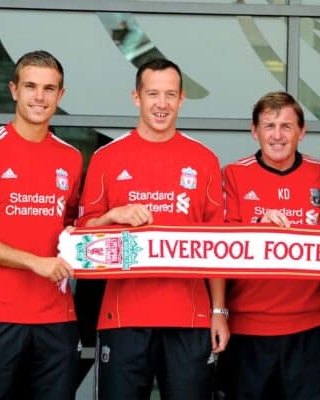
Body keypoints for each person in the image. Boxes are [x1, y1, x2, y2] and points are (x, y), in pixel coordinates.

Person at [76, 58, 229, 399]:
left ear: (182, 99)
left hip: (190, 318)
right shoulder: (107, 157)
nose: (162, 104)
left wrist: (219, 312)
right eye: (153, 94)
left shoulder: (203, 158)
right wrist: (113, 215)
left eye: (170, 94)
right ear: (136, 97)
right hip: (123, 317)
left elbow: (218, 245)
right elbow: (81, 236)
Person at [0, 50, 82, 399]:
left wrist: (108, 220)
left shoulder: (71, 157)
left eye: (49, 88)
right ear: (13, 90)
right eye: (31, 86)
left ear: (60, 96)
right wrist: (34, 262)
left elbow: (72, 229)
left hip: (57, 319)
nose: (40, 97)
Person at [217, 91, 320, 399]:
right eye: (269, 126)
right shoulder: (233, 175)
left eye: (286, 126)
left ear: (302, 131)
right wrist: (258, 230)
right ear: (254, 131)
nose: (277, 136)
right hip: (247, 330)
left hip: (310, 328)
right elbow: (220, 249)